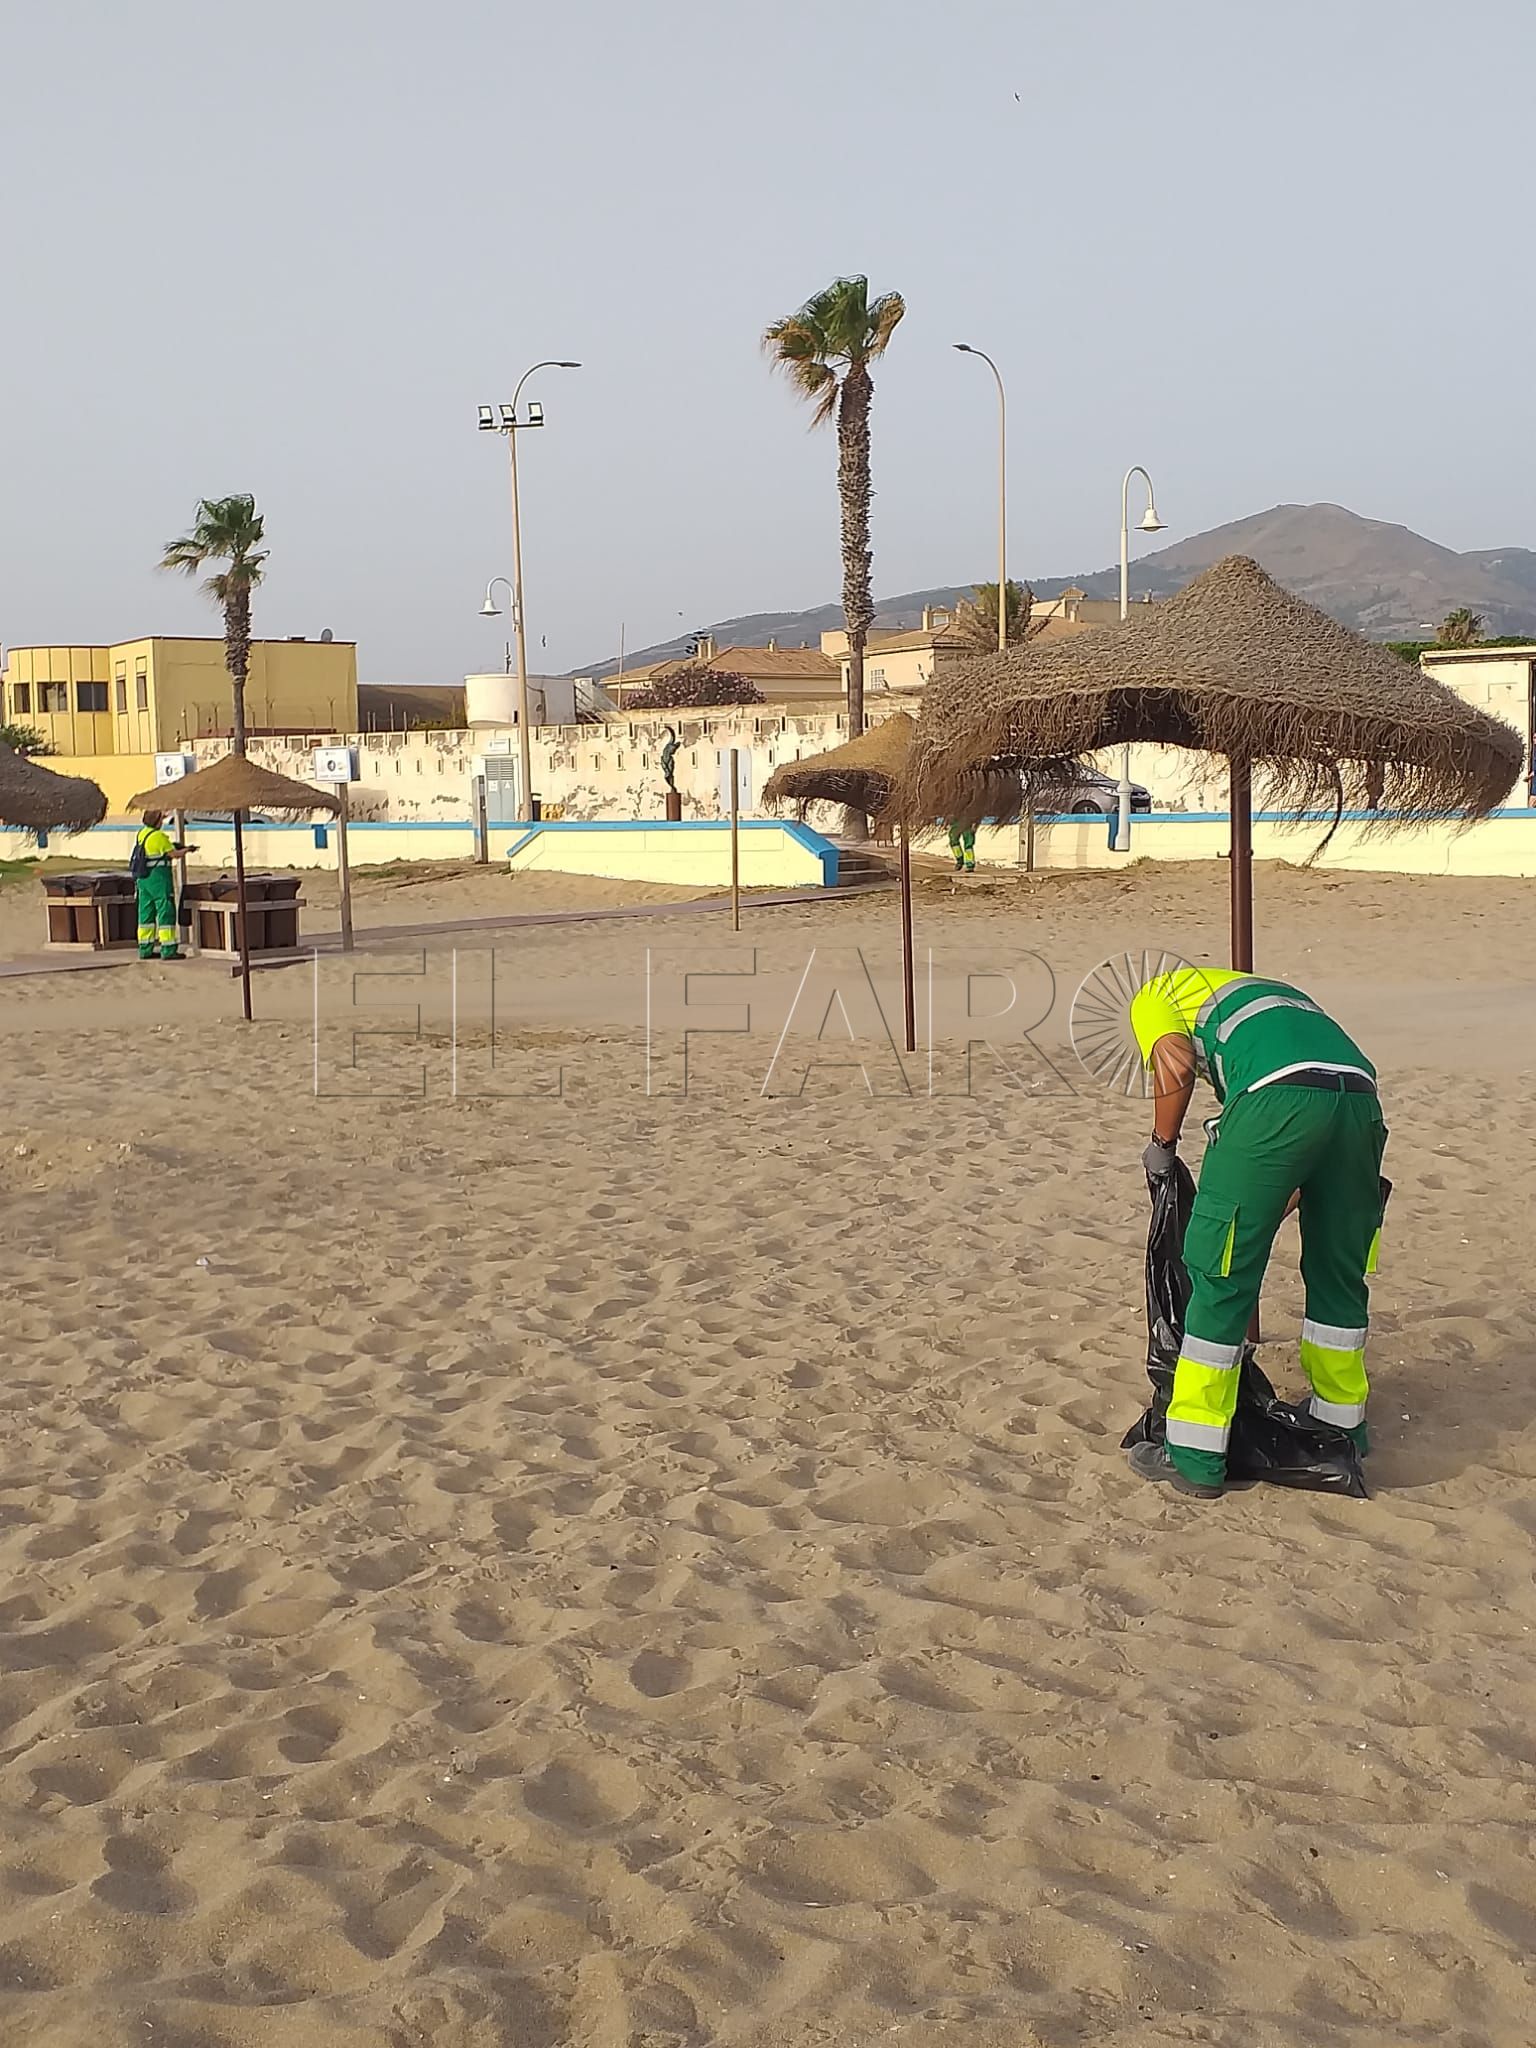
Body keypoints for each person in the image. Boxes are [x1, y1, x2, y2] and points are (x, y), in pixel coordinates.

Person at [1128, 964, 1387, 1499]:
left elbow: (1174, 1063)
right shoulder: (1272, 995)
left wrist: (1162, 1145)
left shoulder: (1155, 995)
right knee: (1339, 1269)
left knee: (1218, 1271)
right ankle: (1342, 1427)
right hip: (1359, 1101)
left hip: (1275, 1098)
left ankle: (1195, 1454)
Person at [131, 809, 187, 961]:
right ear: (157, 821)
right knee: (165, 912)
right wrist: (186, 850)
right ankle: (168, 949)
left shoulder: (142, 834)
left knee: (145, 915)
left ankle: (145, 949)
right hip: (159, 880)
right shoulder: (159, 836)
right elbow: (173, 854)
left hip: (143, 880)